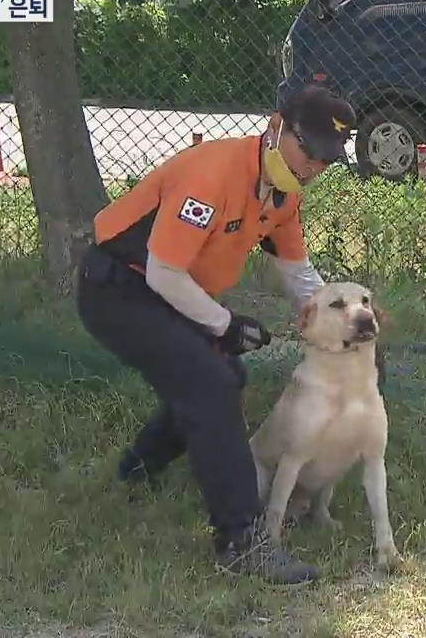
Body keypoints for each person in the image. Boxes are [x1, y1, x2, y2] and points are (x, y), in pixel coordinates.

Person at [75, 84, 358, 585]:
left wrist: (347, 329)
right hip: (118, 289)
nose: (313, 167)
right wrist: (224, 324)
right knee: (210, 384)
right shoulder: (214, 173)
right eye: (308, 150)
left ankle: (134, 475)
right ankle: (240, 542)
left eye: (326, 160)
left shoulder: (282, 193)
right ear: (276, 128)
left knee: (220, 375)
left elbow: (297, 274)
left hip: (163, 291)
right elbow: (164, 272)